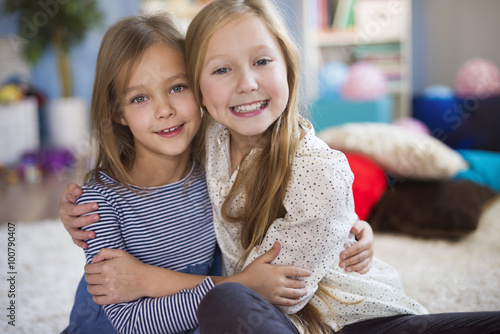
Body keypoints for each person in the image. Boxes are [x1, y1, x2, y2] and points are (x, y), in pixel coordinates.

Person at [62, 0, 500, 333]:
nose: (246, 84)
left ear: (289, 66)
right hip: (262, 316)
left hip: (346, 317)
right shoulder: (205, 142)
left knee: (228, 301)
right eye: (221, 70)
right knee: (222, 303)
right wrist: (76, 209)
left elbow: (275, 287)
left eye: (261, 61)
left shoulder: (315, 169)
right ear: (202, 89)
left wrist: (146, 279)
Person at [62, 13, 317, 334]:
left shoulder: (217, 162)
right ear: (117, 112)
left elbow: (295, 193)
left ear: (198, 86)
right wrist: (240, 286)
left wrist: (349, 227)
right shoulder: (99, 203)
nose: (164, 109)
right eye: (139, 98)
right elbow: (131, 322)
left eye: (177, 87)